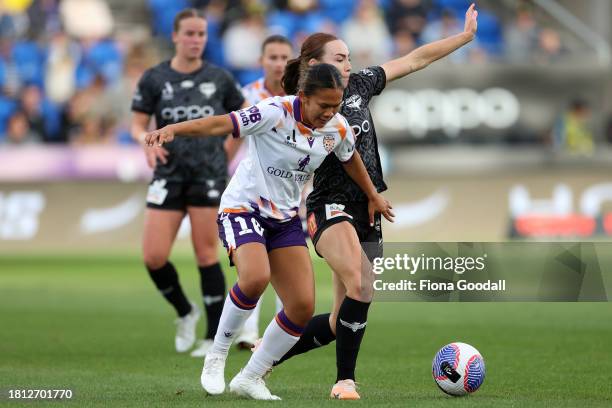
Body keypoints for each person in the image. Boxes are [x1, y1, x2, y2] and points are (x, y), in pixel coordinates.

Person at [144, 63, 394, 400]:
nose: (330, 113)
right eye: (324, 105)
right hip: (243, 207)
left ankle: (250, 377)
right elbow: (222, 123)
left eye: (336, 106)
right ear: (303, 97)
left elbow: (350, 159)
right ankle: (216, 356)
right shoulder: (273, 112)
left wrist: (373, 195)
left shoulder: (336, 128)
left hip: (285, 219)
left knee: (302, 306)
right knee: (255, 277)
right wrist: (175, 129)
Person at [268, 3, 479, 400]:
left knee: (337, 321)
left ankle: (260, 363)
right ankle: (345, 382)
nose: (348, 66)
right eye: (339, 59)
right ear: (313, 65)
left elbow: (414, 60)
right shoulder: (301, 104)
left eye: (349, 58)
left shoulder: (361, 85)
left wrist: (464, 38)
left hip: (369, 206)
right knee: (363, 286)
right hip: (329, 205)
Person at [130, 8, 248, 358]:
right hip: (168, 173)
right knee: (153, 257)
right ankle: (185, 312)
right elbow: (138, 124)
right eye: (190, 33)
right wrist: (145, 145)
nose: (196, 40)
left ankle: (212, 337)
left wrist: (225, 154)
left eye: (202, 34)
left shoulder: (220, 77)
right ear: (176, 36)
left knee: (206, 253)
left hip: (207, 174)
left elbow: (243, 120)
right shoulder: (154, 78)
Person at [233, 34, 294, 350]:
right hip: (254, 192)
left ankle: (277, 335)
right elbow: (232, 139)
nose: (279, 63)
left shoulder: (301, 96)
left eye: (285, 57)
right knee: (255, 265)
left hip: (292, 193)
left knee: (287, 266)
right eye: (273, 57)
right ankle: (246, 333)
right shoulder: (247, 96)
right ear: (261, 61)